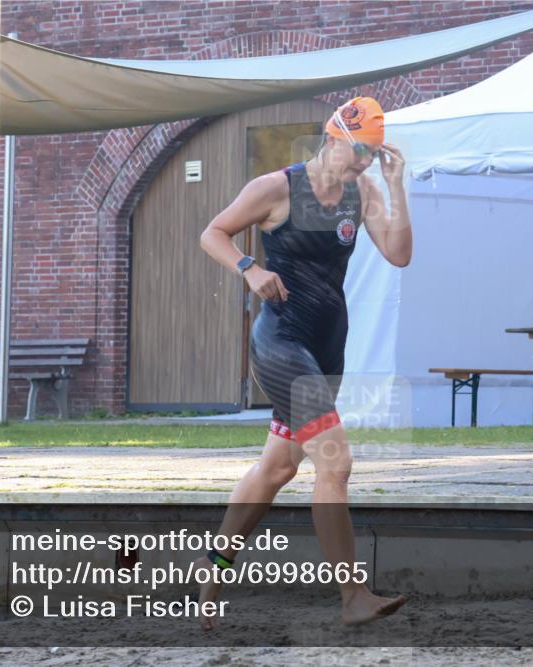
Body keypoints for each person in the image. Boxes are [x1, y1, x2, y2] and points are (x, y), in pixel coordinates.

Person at [195, 96, 412, 629]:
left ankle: (212, 570)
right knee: (335, 463)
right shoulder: (277, 187)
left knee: (279, 467)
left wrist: (396, 184)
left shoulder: (362, 191)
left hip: (326, 347)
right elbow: (212, 232)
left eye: (373, 153)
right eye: (359, 150)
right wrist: (248, 267)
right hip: (282, 342)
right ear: (331, 135)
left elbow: (400, 253)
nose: (364, 161)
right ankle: (352, 595)